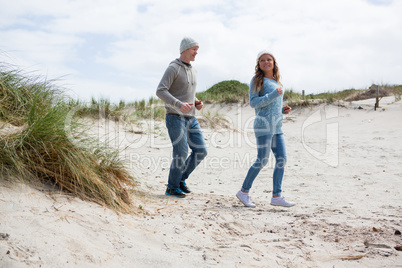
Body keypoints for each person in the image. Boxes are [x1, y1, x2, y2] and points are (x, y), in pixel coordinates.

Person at [236, 50, 295, 208]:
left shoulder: (277, 82)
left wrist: (282, 110)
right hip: (263, 126)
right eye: (262, 60)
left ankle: (276, 196)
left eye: (269, 59)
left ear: (274, 63)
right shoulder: (257, 80)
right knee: (262, 159)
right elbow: (254, 103)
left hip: (277, 127)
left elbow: (270, 105)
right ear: (259, 64)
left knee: (282, 159)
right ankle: (243, 192)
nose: (266, 62)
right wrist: (273, 95)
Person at [156, 37, 207, 198]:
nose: (196, 52)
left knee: (201, 151)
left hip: (191, 118)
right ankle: (171, 187)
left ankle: (180, 180)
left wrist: (196, 101)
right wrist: (178, 104)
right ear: (185, 49)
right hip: (175, 117)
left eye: (197, 49)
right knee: (181, 152)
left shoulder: (194, 70)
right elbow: (161, 90)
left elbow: (187, 91)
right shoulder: (173, 68)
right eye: (194, 49)